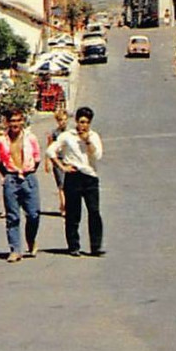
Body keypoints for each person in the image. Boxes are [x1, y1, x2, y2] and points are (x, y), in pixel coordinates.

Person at [49, 105, 104, 256]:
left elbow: (97, 156)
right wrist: (62, 166)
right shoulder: (67, 136)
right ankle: (73, 246)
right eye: (81, 122)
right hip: (73, 176)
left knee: (94, 211)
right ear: (76, 121)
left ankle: (96, 246)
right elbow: (51, 151)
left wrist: (87, 141)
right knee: (73, 213)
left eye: (86, 122)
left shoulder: (93, 137)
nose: (83, 125)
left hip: (90, 177)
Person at [0, 108, 43, 262]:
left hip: (29, 177)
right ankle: (15, 249)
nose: (15, 124)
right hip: (11, 179)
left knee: (34, 214)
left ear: (22, 121)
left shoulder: (30, 138)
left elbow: (37, 158)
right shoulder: (1, 141)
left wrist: (28, 172)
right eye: (12, 121)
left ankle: (31, 239)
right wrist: (8, 175)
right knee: (12, 216)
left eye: (18, 120)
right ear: (7, 122)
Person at [46, 104, 71, 218]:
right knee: (61, 185)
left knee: (69, 185)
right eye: (61, 120)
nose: (63, 122)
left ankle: (66, 205)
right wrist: (47, 162)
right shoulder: (54, 133)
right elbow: (49, 148)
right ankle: (64, 206)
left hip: (69, 160)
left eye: (65, 120)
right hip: (58, 161)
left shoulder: (71, 133)